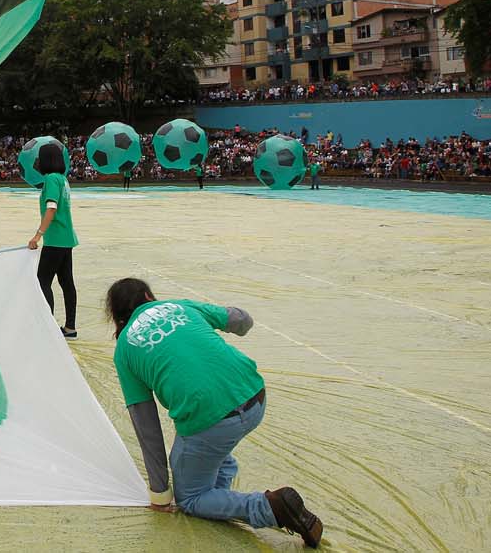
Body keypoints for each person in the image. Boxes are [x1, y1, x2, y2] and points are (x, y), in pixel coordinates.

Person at [105, 278, 323, 547]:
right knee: (198, 454)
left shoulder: (125, 350)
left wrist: (160, 493)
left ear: (116, 314)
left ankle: (270, 508)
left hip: (213, 422)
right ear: (149, 296)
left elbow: (147, 427)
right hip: (255, 397)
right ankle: (217, 485)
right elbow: (239, 319)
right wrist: (240, 321)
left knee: (191, 498)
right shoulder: (178, 306)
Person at [26, 145, 78, 339]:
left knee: (43, 281)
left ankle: (48, 326)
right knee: (66, 282)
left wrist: (38, 235)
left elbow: (52, 207)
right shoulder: (63, 179)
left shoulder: (50, 179)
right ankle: (70, 328)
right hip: (67, 239)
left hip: (55, 240)